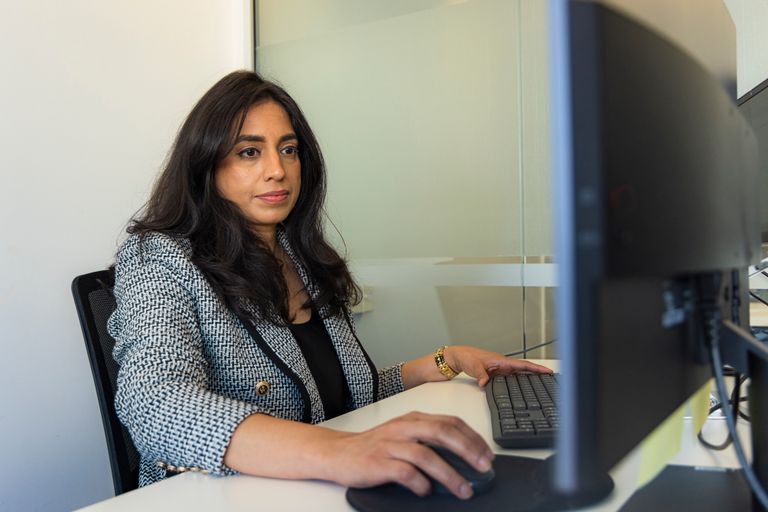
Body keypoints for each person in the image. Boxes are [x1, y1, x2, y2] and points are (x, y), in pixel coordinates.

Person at [108, 70, 552, 500]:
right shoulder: (159, 257)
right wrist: (340, 451)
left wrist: (447, 359)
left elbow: (342, 395)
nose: (277, 170)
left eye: (288, 149)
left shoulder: (299, 255)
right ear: (206, 165)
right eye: (249, 152)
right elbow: (154, 401)